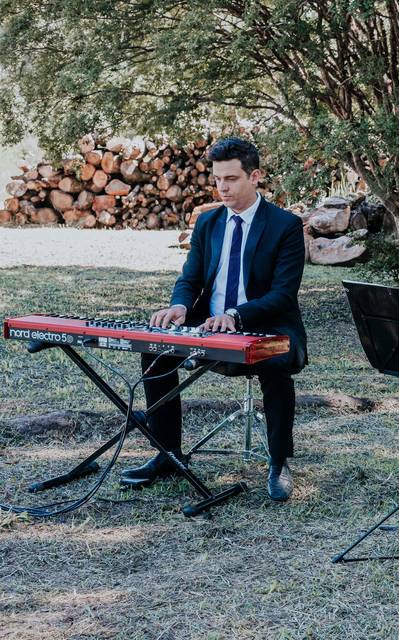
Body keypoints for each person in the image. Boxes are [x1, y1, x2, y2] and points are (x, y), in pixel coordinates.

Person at [120, 137, 308, 502]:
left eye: (232, 178)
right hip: (210, 325)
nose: (222, 187)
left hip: (269, 326)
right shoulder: (207, 223)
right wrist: (180, 307)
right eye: (218, 178)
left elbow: (283, 294)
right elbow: (190, 279)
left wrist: (236, 315)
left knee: (276, 362)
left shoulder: (285, 225)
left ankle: (280, 461)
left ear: (255, 177)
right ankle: (167, 454)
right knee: (157, 351)